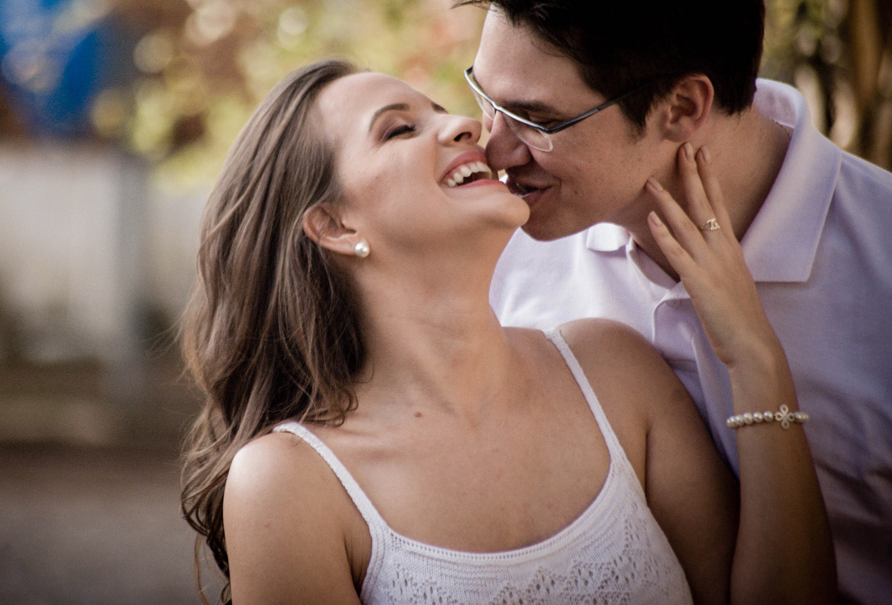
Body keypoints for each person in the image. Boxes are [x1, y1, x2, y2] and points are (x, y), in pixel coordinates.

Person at [180, 59, 833, 604]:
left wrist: (754, 355)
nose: (466, 124)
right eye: (401, 129)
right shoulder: (290, 484)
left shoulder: (614, 370)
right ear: (336, 227)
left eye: (441, 109)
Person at [457, 0, 892, 604]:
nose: (493, 147)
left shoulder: (881, 260)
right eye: (486, 97)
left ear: (682, 108)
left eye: (534, 118)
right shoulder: (494, 251)